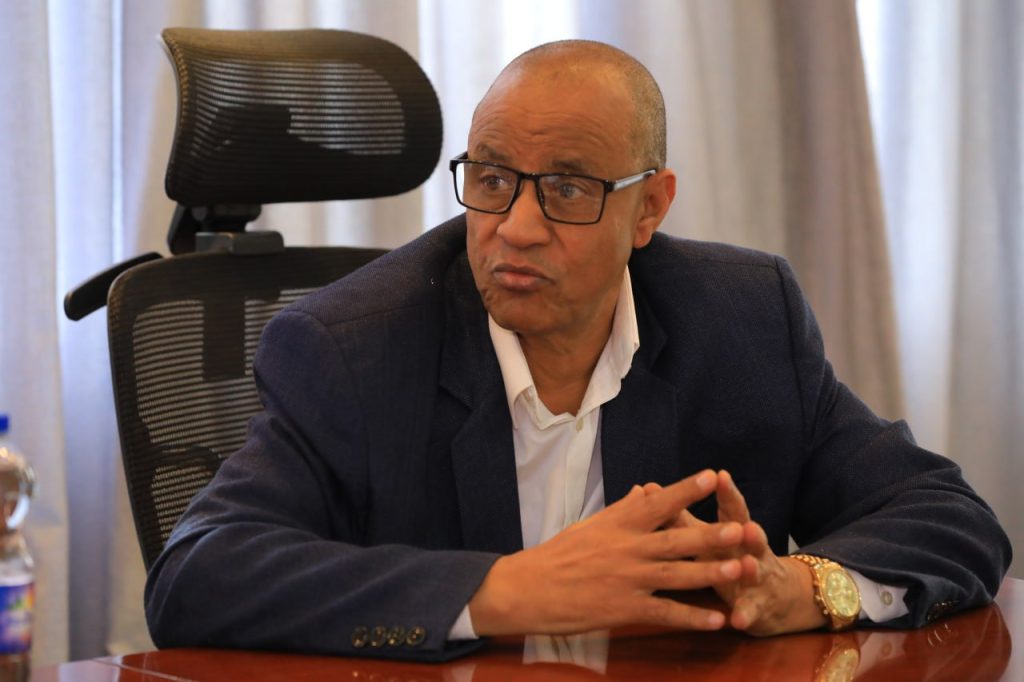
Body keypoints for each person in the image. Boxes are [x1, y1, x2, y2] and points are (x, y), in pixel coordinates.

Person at [144, 40, 1011, 661]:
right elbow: (197, 575)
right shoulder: (351, 347)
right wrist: (504, 590)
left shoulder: (744, 322)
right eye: (491, 179)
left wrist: (807, 586)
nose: (516, 228)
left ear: (650, 208)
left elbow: (950, 517)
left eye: (566, 188)